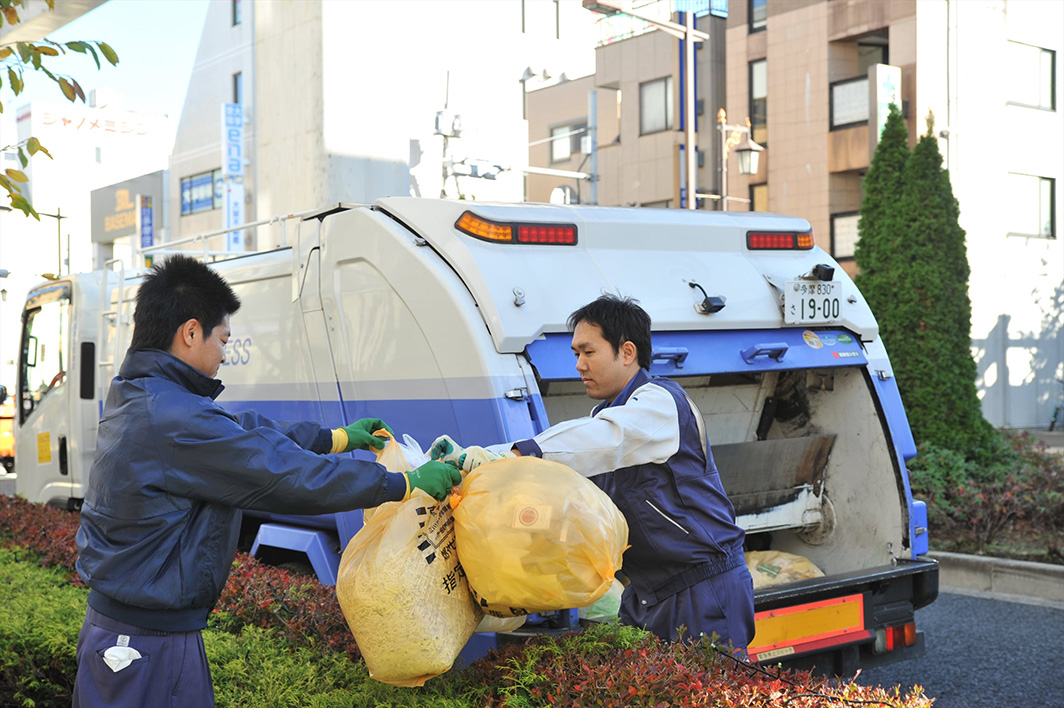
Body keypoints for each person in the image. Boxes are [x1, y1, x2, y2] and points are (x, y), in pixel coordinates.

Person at [73, 254, 460, 708]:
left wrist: (334, 438)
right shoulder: (171, 416)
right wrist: (405, 483)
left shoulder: (144, 397)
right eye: (222, 339)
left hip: (130, 635)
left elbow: (240, 432)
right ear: (191, 332)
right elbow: (280, 473)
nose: (223, 354)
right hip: (146, 647)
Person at [433, 294, 755, 651]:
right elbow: (571, 503)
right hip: (648, 593)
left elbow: (605, 438)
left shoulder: (660, 403)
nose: (579, 365)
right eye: (575, 354)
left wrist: (512, 454)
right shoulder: (604, 417)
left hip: (703, 589)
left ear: (627, 352)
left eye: (589, 352)